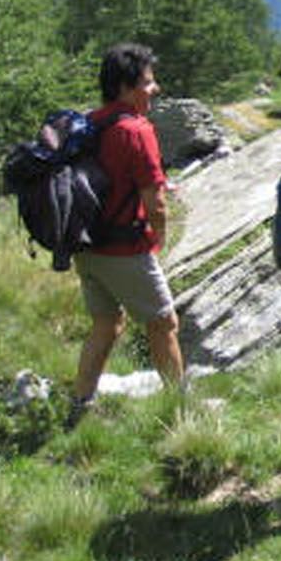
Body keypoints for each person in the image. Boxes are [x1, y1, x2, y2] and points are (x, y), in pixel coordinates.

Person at [68, 43, 184, 427]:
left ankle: (80, 404)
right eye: (148, 82)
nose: (155, 88)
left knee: (106, 324)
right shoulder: (136, 130)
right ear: (124, 87)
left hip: (86, 246)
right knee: (163, 323)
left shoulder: (90, 124)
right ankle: (180, 410)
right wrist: (160, 238)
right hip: (125, 249)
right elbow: (155, 203)